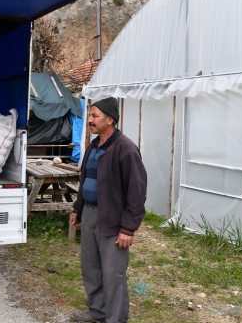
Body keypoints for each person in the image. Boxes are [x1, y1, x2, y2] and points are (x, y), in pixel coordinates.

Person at [69, 97, 147, 323]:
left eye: (95, 116)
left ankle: (114, 319)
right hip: (91, 213)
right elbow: (85, 181)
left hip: (113, 219)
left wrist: (128, 229)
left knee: (113, 275)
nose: (90, 120)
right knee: (91, 269)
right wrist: (78, 208)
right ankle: (97, 312)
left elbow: (137, 192)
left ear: (110, 119)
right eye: (90, 116)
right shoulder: (93, 146)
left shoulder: (126, 149)